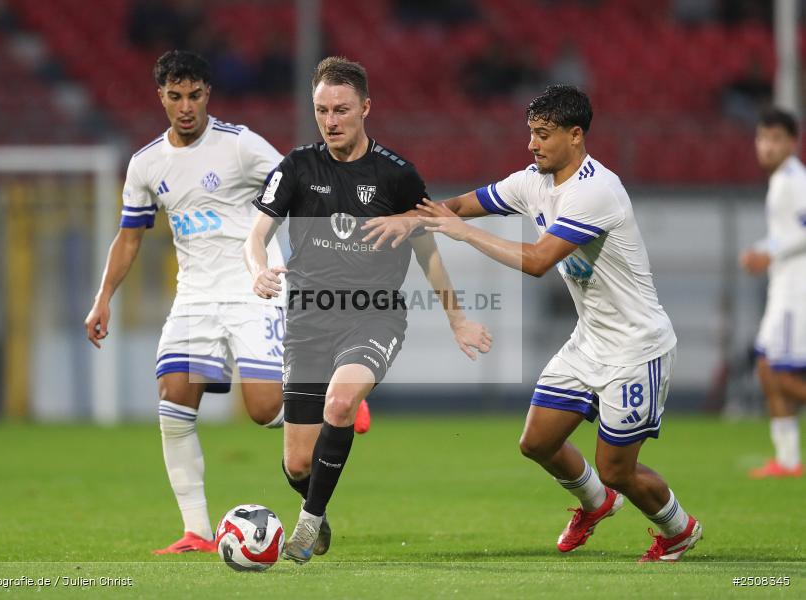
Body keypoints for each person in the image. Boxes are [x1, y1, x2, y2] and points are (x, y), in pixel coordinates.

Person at [364, 85, 702, 563]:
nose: (532, 144)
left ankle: (678, 529)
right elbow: (460, 205)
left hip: (636, 349)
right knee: (537, 441)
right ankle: (596, 504)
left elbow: (540, 260)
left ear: (576, 135)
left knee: (616, 468)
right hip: (590, 342)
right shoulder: (534, 181)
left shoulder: (595, 192)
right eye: (531, 133)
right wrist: (408, 219)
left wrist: (462, 233)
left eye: (543, 135)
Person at [244, 56, 492, 564]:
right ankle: (315, 502)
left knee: (338, 403)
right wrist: (257, 269)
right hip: (308, 320)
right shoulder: (296, 166)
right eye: (321, 110)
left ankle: (307, 527)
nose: (330, 121)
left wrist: (457, 317)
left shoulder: (397, 176)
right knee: (296, 464)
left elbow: (427, 252)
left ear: (365, 108)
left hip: (373, 313)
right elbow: (257, 234)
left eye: (341, 109)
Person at [84, 50, 290, 555]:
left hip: (252, 287)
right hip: (196, 297)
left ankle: (327, 401)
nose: (186, 106)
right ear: (161, 96)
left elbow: (294, 180)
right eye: (175, 96)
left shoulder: (240, 146)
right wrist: (103, 297)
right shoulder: (146, 164)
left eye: (195, 95)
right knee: (174, 401)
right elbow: (129, 236)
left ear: (208, 94)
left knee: (264, 411)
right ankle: (197, 530)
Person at [740, 107, 806, 478]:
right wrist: (762, 249)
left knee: (780, 373)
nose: (766, 146)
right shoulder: (782, 180)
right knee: (766, 366)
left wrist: (770, 253)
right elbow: (788, 233)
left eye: (775, 139)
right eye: (762, 138)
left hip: (797, 291)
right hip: (784, 287)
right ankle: (788, 460)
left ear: (792, 143)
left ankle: (788, 458)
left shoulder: (793, 180)